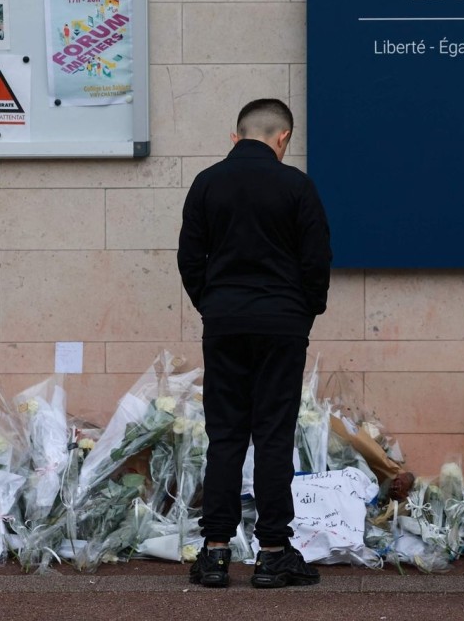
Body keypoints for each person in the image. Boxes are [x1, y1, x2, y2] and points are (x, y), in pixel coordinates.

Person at [178, 98, 332, 589]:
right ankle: (272, 553)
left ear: (236, 135)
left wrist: (213, 304)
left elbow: (189, 258)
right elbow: (316, 260)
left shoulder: (206, 183)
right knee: (272, 435)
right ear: (283, 138)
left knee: (225, 435)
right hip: (282, 324)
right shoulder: (297, 186)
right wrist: (303, 311)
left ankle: (216, 552)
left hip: (224, 321)